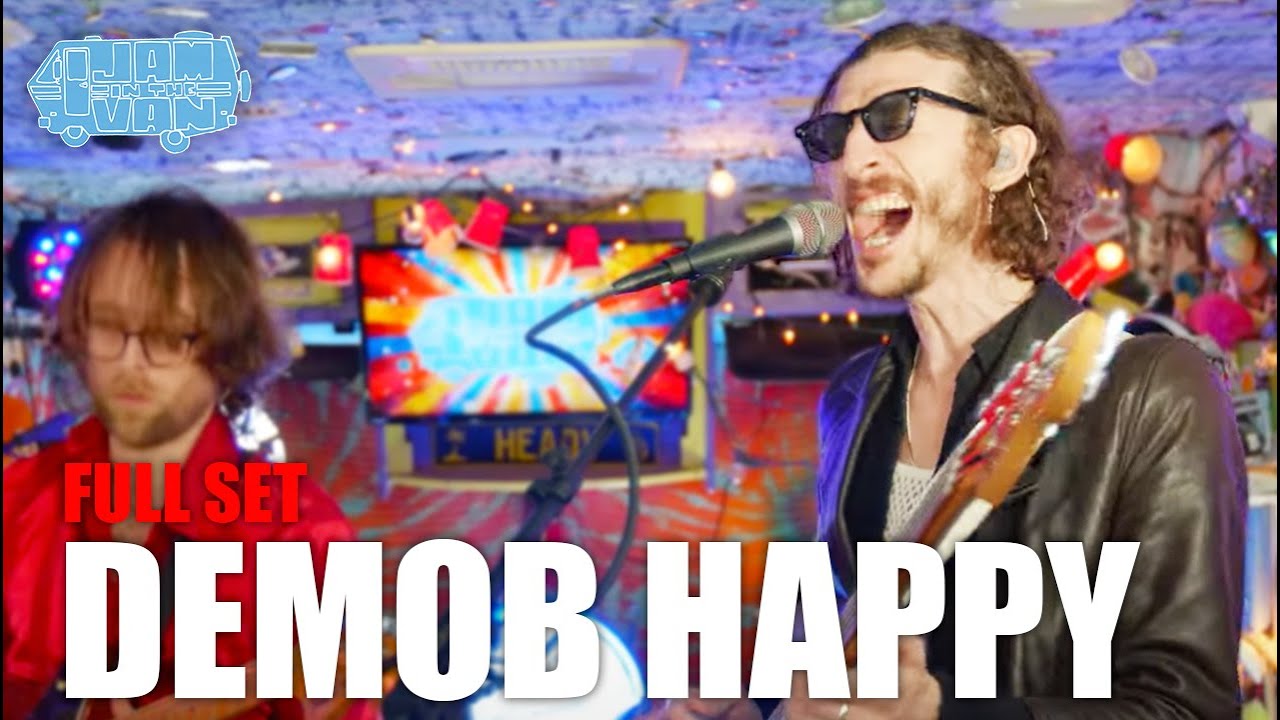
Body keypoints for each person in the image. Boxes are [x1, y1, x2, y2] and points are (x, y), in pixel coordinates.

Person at [659, 21, 1246, 720]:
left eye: (893, 116)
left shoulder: (1152, 385)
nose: (852, 157)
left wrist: (945, 716)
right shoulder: (854, 394)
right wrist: (757, 707)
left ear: (1002, 156)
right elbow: (857, 648)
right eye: (832, 136)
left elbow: (1190, 707)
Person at [3, 189, 359, 719]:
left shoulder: (300, 533)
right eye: (108, 326)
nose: (131, 362)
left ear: (229, 347)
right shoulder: (19, 498)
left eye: (170, 336)